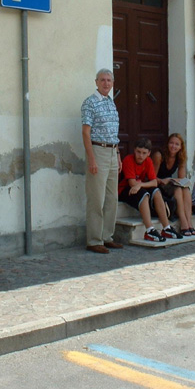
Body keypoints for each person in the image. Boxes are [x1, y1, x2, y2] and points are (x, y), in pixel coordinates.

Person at [81, 68, 123, 253]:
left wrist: (118, 155)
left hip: (113, 153)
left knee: (112, 198)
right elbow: (85, 132)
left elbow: (113, 132)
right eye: (102, 80)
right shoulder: (90, 103)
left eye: (109, 80)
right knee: (96, 199)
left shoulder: (110, 102)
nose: (106, 83)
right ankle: (94, 240)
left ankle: (107, 236)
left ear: (112, 83)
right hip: (98, 151)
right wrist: (92, 159)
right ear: (96, 82)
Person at [118, 137, 183, 242]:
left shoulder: (148, 161)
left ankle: (166, 228)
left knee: (156, 191)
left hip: (139, 187)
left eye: (144, 153)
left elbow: (154, 182)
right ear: (134, 150)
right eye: (138, 152)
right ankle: (149, 230)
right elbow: (132, 183)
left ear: (148, 153)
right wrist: (139, 185)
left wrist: (140, 185)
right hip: (125, 189)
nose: (140, 155)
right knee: (144, 195)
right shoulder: (128, 160)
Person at [152, 133, 195, 236]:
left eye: (177, 144)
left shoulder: (180, 157)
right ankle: (183, 222)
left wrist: (170, 179)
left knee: (185, 189)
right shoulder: (159, 155)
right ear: (167, 144)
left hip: (168, 182)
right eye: (171, 143)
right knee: (177, 189)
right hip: (158, 183)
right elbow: (152, 176)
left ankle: (189, 222)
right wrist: (165, 180)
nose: (173, 146)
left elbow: (181, 178)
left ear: (181, 147)